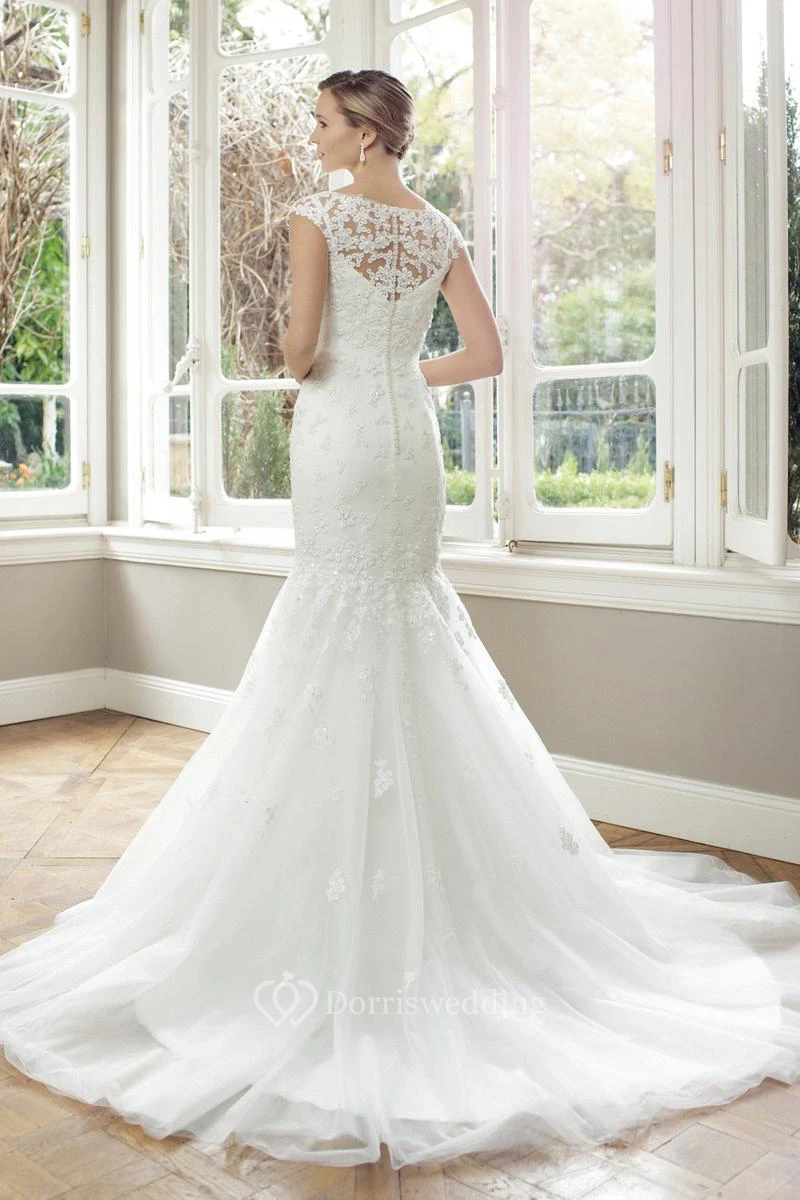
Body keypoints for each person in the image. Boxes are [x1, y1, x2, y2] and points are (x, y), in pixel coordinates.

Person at [1, 67, 799, 1172]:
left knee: (332, 623)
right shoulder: (434, 226)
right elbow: (485, 355)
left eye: (325, 121)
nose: (314, 137)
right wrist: (399, 368)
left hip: (338, 438)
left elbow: (295, 353)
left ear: (369, 132)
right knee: (406, 623)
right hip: (407, 444)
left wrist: (324, 356)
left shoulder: (317, 216)